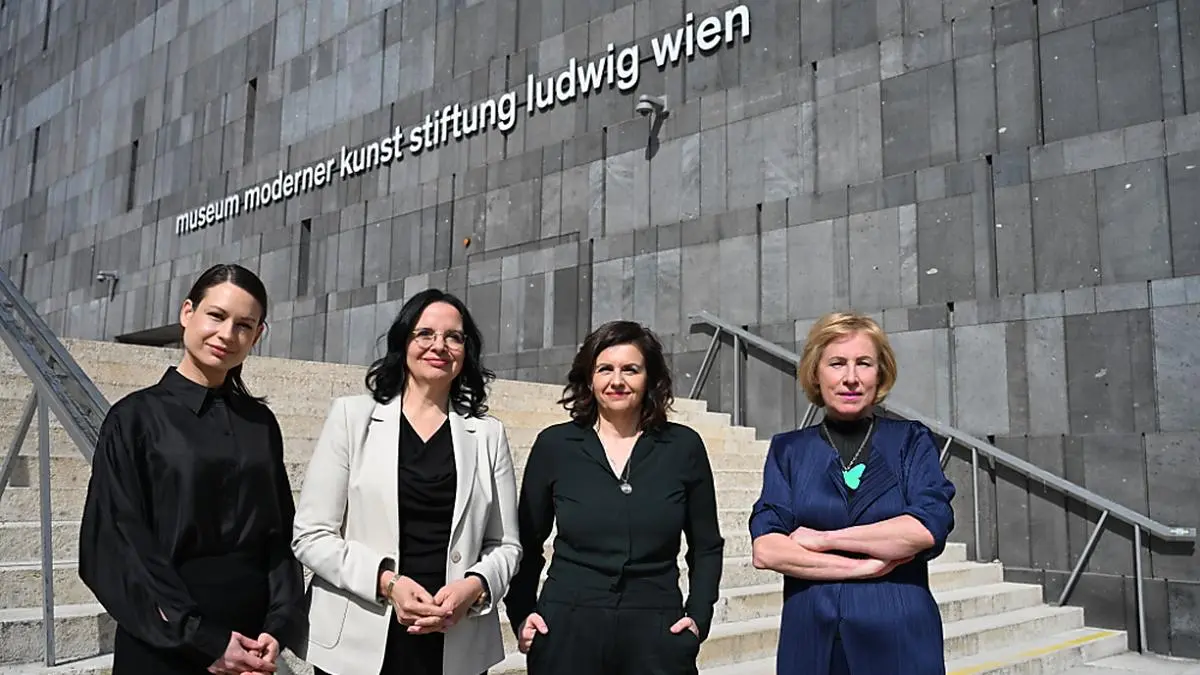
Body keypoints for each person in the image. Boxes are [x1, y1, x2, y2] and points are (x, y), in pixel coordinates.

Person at [78, 263, 304, 675]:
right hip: (165, 640)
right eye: (216, 315)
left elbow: (279, 532)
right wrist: (204, 639)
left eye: (243, 325)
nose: (226, 334)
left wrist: (278, 625)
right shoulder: (134, 419)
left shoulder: (260, 424)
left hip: (251, 644)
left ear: (257, 336)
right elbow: (115, 543)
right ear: (187, 313)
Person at [291, 288, 521, 675]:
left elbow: (506, 545)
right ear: (404, 342)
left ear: (466, 351)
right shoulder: (351, 418)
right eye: (425, 333)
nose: (439, 346)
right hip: (359, 638)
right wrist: (387, 583)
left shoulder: (488, 434)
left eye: (453, 337)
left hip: (455, 635)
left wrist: (474, 587)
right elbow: (311, 535)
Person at [505, 320, 724, 675]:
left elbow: (707, 545)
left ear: (650, 378)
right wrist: (521, 612)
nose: (617, 380)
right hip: (567, 629)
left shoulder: (683, 447)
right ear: (589, 378)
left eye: (630, 370)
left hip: (657, 631)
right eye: (605, 369)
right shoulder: (555, 445)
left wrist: (698, 617)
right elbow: (527, 542)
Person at [748, 311, 956, 675]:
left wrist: (823, 539)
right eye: (837, 363)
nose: (850, 378)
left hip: (900, 635)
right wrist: (862, 567)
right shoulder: (789, 451)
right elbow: (767, 549)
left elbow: (925, 528)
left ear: (881, 373)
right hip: (812, 639)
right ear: (816, 372)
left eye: (864, 363)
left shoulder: (910, 441)